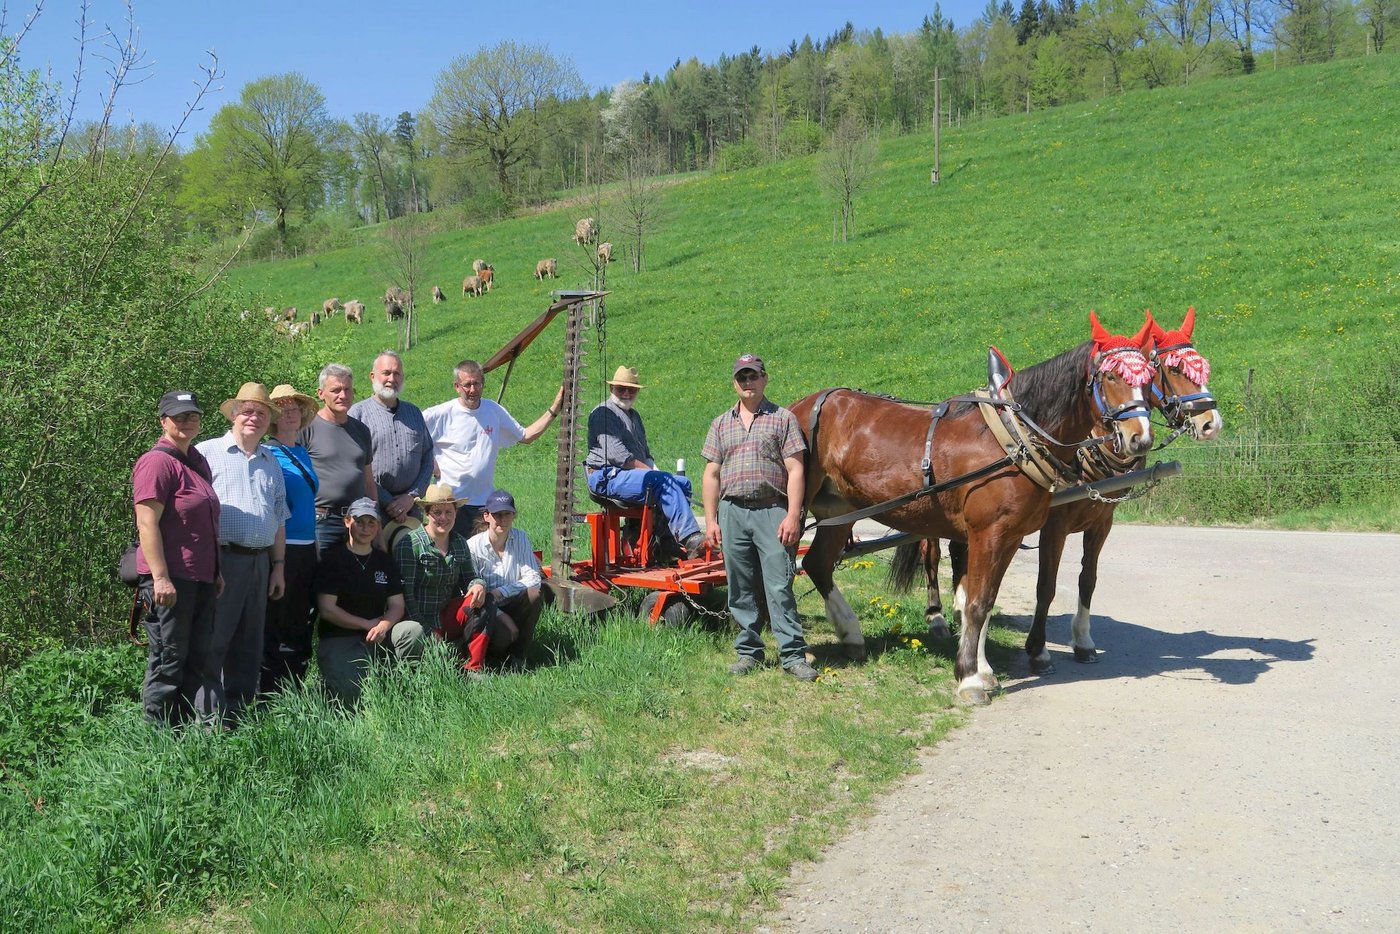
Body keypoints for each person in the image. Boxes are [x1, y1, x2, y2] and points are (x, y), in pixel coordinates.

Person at [701, 354, 818, 682]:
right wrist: (711, 521)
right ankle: (749, 652)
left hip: (772, 512)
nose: (747, 382)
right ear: (734, 383)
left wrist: (793, 515)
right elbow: (711, 473)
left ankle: (793, 655)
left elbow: (796, 469)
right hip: (732, 513)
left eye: (753, 376)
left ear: (765, 378)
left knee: (780, 585)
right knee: (740, 588)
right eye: (742, 377)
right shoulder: (720, 423)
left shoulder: (783, 419)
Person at [195, 383, 289, 723]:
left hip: (260, 563)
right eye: (248, 410)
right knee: (214, 641)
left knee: (249, 644)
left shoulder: (271, 462)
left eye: (262, 413)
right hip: (221, 560)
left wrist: (278, 567)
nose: (255, 418)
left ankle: (237, 719)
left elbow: (279, 519)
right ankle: (207, 723)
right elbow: (192, 514)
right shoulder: (206, 454)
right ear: (234, 414)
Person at [132, 390, 222, 725]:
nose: (187, 421)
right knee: (168, 660)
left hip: (200, 578)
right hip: (170, 580)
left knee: (195, 659)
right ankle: (156, 738)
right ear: (163, 421)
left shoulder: (197, 461)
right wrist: (160, 577)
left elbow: (204, 524)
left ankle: (181, 737)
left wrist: (217, 571)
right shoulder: (156, 462)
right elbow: (146, 522)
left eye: (192, 415)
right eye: (179, 416)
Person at [423, 359, 563, 534]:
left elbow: (527, 436)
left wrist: (556, 408)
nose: (473, 390)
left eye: (477, 384)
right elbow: (411, 437)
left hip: (483, 505)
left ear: (483, 384)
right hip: (451, 504)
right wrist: (429, 460)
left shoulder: (493, 411)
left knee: (483, 557)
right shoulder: (440, 414)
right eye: (467, 385)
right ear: (457, 386)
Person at [313, 498, 425, 706]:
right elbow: (327, 610)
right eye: (359, 521)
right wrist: (366, 624)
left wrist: (383, 625)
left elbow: (397, 605)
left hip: (378, 635)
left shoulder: (385, 561)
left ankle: (401, 684)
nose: (365, 528)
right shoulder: (333, 560)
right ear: (347, 522)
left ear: (378, 526)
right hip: (340, 638)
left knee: (413, 630)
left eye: (371, 522)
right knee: (355, 700)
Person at [585, 365, 705, 558]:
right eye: (621, 389)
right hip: (606, 476)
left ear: (637, 391)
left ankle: (667, 542)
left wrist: (660, 473)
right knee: (662, 481)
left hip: (628, 474)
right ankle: (690, 537)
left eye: (631, 389)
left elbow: (644, 454)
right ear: (611, 389)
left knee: (682, 483)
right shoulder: (603, 413)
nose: (626, 393)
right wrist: (658, 476)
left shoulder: (634, 416)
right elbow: (619, 457)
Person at [392, 484, 497, 677]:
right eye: (437, 512)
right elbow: (405, 596)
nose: (443, 518)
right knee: (429, 655)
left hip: (446, 614)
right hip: (416, 619)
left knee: (485, 600)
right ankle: (418, 671)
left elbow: (469, 577)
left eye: (449, 512)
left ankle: (474, 668)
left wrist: (478, 585)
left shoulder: (459, 543)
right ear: (426, 514)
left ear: (456, 514)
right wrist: (427, 630)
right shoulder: (409, 544)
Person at [261, 384, 320, 695]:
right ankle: (272, 691)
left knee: (301, 618)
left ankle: (295, 686)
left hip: (308, 547)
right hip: (284, 548)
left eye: (295, 408)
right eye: (282, 408)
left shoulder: (300, 452)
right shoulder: (267, 453)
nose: (290, 413)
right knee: (279, 620)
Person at [348, 350, 434, 553]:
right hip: (371, 510)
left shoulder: (414, 413)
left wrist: (411, 497)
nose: (391, 379)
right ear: (372, 376)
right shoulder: (357, 415)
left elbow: (428, 456)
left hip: (411, 509)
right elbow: (355, 466)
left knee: (413, 565)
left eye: (397, 374)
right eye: (386, 373)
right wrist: (389, 502)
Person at [301, 362, 377, 553]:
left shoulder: (361, 430)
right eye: (335, 390)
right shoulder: (306, 428)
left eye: (347, 390)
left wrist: (377, 521)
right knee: (322, 577)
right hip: (322, 522)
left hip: (359, 522)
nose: (342, 395)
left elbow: (369, 482)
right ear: (320, 393)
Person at [467, 489, 546, 671]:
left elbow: (533, 577)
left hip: (513, 601)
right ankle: (493, 657)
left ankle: (519, 656)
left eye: (507, 514)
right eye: (497, 515)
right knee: (503, 638)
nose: (502, 520)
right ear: (486, 516)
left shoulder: (520, 537)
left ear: (514, 516)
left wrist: (502, 592)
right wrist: (501, 616)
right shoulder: (473, 546)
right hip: (486, 610)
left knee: (534, 593)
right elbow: (472, 588)